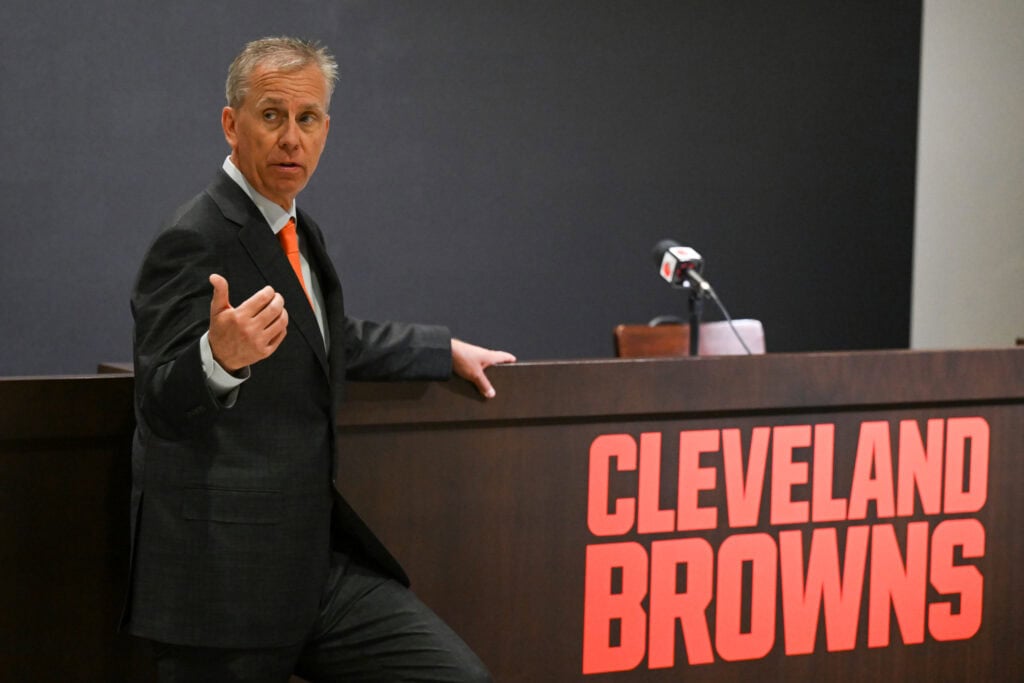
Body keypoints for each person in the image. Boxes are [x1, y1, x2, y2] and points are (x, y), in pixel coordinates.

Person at [125, 36, 514, 682]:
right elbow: (158, 402)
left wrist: (440, 350)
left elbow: (326, 337)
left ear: (326, 130)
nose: (291, 138)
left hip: (312, 568)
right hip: (221, 587)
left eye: (307, 119)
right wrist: (216, 358)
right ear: (231, 124)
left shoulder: (297, 228)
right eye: (271, 115)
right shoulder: (193, 236)